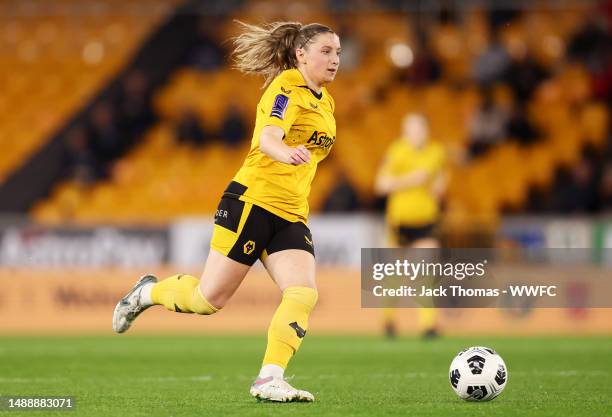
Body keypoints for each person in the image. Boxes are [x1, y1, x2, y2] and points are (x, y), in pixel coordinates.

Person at [112, 21, 341, 403]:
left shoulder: (326, 101)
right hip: (252, 201)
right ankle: (147, 293)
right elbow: (269, 137)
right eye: (326, 51)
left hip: (291, 212)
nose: (335, 60)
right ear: (300, 54)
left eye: (337, 52)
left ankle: (269, 379)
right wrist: (286, 152)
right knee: (207, 300)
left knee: (303, 292)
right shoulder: (286, 87)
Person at [374, 113, 448, 339]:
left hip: (425, 222)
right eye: (410, 129)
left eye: (418, 128)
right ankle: (388, 321)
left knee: (423, 274)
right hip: (399, 223)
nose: (414, 133)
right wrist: (410, 180)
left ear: (426, 130)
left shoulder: (436, 152)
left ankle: (429, 325)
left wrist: (437, 185)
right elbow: (380, 185)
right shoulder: (397, 151)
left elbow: (437, 177)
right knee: (393, 277)